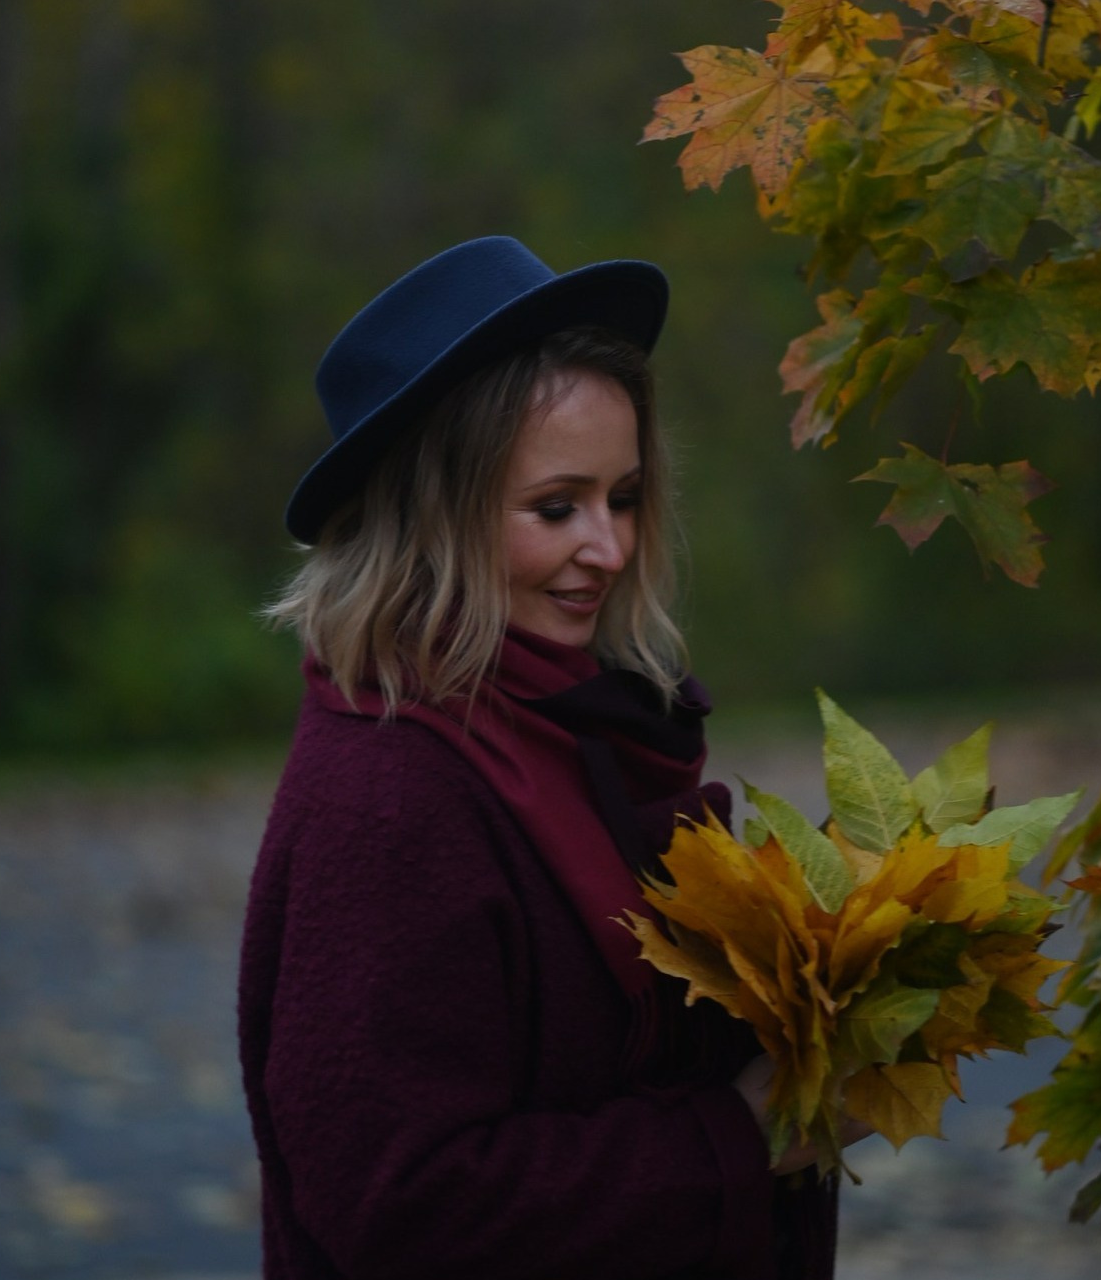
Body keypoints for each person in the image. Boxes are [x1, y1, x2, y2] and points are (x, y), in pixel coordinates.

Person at [238, 235, 850, 1280]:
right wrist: (729, 1139)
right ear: (429, 518)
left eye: (621, 498)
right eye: (555, 507)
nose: (608, 549)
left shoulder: (579, 729)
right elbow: (399, 1203)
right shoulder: (391, 794)